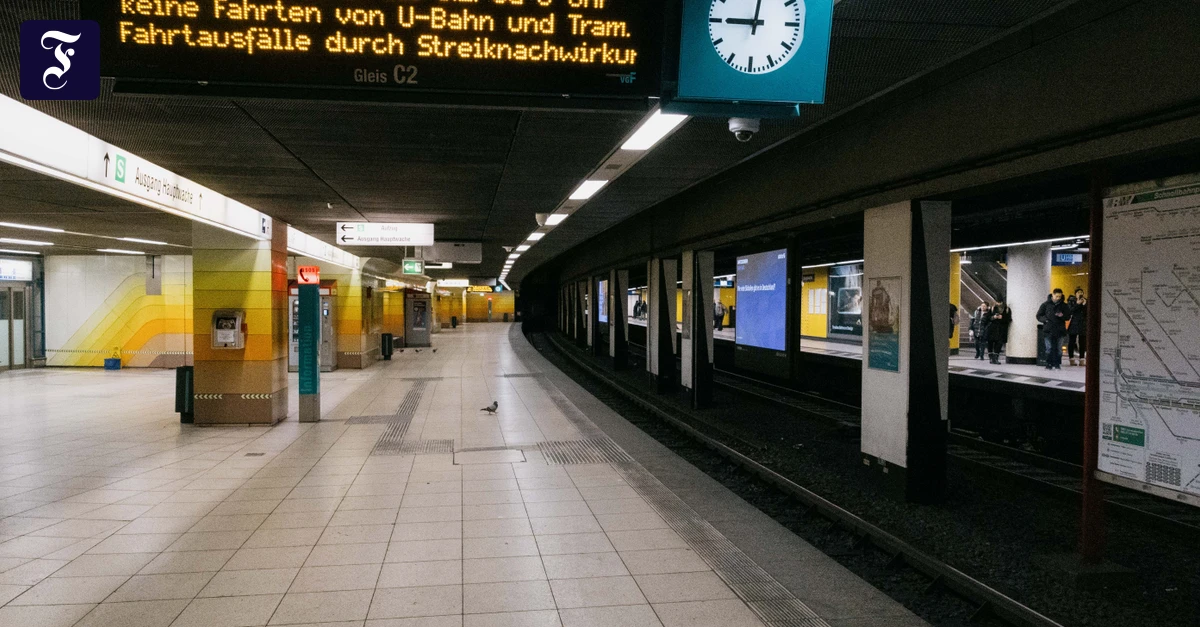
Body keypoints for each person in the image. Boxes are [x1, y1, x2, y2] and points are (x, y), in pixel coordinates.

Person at [1037, 288, 1071, 370]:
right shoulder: (1045, 305)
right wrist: (1045, 320)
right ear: (1053, 295)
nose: (1058, 298)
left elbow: (1068, 316)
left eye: (1060, 296)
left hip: (1060, 330)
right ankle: (1048, 363)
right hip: (1048, 329)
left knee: (1059, 348)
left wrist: (1062, 316)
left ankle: (1057, 364)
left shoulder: (1064, 305)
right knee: (1049, 348)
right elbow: (1038, 315)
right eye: (1056, 296)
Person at [986, 299, 1011, 364]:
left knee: (999, 343)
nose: (998, 304)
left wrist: (1002, 318)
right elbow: (987, 317)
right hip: (992, 329)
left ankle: (995, 358)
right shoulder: (992, 308)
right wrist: (994, 317)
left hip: (1001, 329)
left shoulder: (1007, 309)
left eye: (1000, 302)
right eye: (997, 302)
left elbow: (1009, 319)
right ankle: (991, 358)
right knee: (990, 343)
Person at [1068, 288, 1087, 366]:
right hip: (1074, 323)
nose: (1080, 293)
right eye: (1078, 292)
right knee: (1072, 341)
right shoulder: (1071, 301)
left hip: (1083, 324)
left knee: (1082, 342)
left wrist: (1084, 304)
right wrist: (1077, 304)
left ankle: (1082, 358)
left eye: (1081, 292)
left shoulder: (1086, 301)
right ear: (1075, 294)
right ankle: (1071, 358)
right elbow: (1070, 311)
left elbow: (1088, 312)